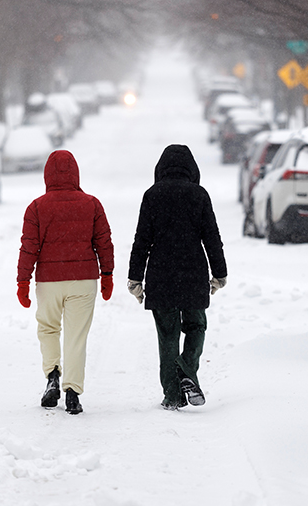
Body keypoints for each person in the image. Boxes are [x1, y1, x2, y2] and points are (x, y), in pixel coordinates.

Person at [127, 144, 227, 410]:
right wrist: (220, 273)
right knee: (196, 326)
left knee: (168, 335)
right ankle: (187, 368)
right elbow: (212, 238)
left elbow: (142, 240)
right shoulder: (199, 195)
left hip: (161, 275)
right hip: (193, 272)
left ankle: (172, 394)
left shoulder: (152, 195)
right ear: (192, 169)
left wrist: (135, 277)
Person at [17, 150, 114, 415]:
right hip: (83, 280)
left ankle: (52, 376)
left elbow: (29, 248)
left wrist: (23, 282)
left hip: (49, 281)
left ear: (47, 175)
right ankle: (72, 392)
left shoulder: (36, 208)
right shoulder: (92, 204)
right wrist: (107, 275)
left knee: (48, 328)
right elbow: (104, 243)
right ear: (76, 174)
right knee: (76, 336)